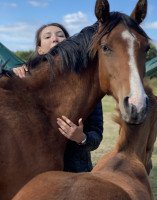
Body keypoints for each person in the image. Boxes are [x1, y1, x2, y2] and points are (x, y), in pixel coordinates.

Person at [12, 23, 103, 172]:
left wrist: (82, 138)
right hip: (34, 171)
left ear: (70, 43)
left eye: (60, 35)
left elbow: (96, 135)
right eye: (47, 36)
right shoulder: (25, 79)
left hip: (75, 172)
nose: (55, 39)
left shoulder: (87, 87)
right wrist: (13, 77)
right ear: (39, 49)